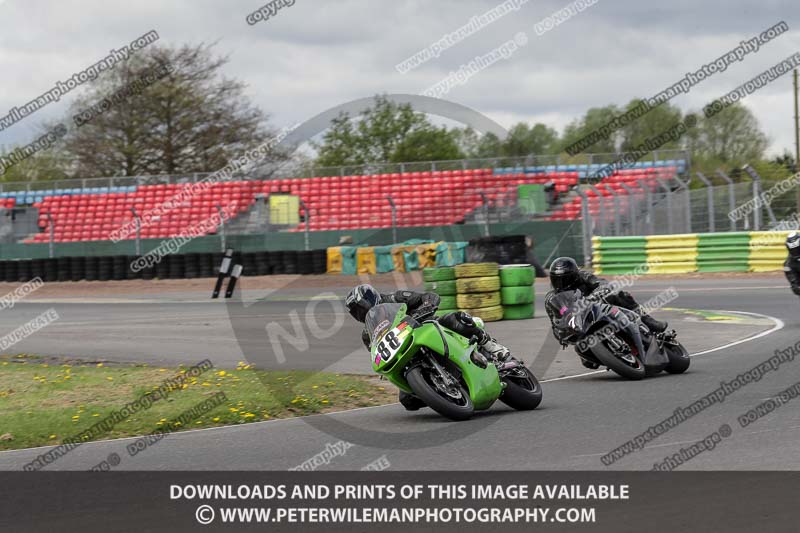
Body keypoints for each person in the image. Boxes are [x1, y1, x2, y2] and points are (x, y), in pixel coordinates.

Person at [345, 284, 512, 410]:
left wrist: (424, 308)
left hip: (430, 328)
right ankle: (441, 393)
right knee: (407, 401)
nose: (360, 312)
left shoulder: (395, 298)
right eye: (356, 311)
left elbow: (429, 296)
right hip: (408, 353)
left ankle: (491, 346)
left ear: (371, 297)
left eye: (361, 306)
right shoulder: (367, 334)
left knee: (455, 319)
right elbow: (377, 350)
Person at [543, 257, 668, 368]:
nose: (561, 284)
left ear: (574, 275)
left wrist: (599, 292)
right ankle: (614, 354)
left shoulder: (583, 275)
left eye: (565, 279)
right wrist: (561, 334)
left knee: (620, 295)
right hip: (582, 323)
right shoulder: (552, 298)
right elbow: (555, 322)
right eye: (557, 280)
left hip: (599, 307)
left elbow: (601, 283)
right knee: (589, 363)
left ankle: (648, 320)